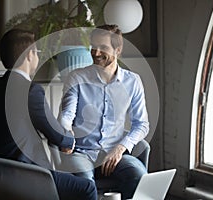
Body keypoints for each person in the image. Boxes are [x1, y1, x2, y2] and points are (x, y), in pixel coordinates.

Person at [0, 29, 97, 200]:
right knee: (87, 188)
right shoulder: (30, 91)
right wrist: (68, 139)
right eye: (37, 52)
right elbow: (54, 132)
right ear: (29, 55)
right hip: (26, 175)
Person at [59, 24, 149, 199]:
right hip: (82, 152)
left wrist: (121, 148)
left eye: (103, 48)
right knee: (84, 185)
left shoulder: (133, 82)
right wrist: (66, 132)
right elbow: (66, 116)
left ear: (118, 50)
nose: (96, 52)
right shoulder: (77, 77)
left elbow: (142, 124)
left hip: (114, 152)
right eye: (94, 47)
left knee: (139, 175)